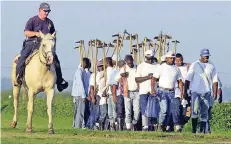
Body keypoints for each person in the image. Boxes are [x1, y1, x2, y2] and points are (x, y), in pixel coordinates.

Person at [15, 2, 68, 92]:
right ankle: (18, 77)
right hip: (32, 43)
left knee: (56, 61)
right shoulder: (32, 20)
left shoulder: (50, 23)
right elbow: (26, 32)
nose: (47, 13)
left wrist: (53, 44)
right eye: (45, 11)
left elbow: (53, 35)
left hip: (45, 46)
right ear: (40, 10)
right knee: (22, 57)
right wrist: (36, 34)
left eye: (48, 11)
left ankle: (59, 81)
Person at [184, 48, 218, 134]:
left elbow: (215, 81)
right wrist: (185, 92)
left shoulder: (211, 66)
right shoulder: (195, 65)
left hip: (206, 92)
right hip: (195, 92)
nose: (206, 58)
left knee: (204, 113)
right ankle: (194, 131)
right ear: (201, 56)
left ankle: (202, 131)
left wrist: (215, 92)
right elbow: (187, 79)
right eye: (205, 56)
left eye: (207, 56)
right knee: (194, 111)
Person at [152, 51, 183, 132]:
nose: (172, 59)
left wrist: (181, 92)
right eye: (170, 58)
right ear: (166, 58)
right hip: (162, 91)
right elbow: (154, 79)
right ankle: (160, 124)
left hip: (172, 92)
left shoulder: (176, 69)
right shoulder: (161, 67)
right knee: (164, 110)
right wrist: (152, 89)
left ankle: (164, 127)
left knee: (169, 112)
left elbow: (180, 81)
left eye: (173, 58)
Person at [135, 50, 159, 131]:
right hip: (143, 91)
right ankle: (145, 126)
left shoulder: (157, 66)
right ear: (145, 57)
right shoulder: (141, 66)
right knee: (144, 109)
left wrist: (155, 78)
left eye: (150, 58)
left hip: (154, 91)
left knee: (154, 108)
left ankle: (153, 126)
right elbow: (137, 79)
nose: (149, 59)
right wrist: (148, 77)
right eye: (147, 58)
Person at [115, 55, 140, 131]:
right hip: (127, 92)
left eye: (131, 62)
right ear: (126, 62)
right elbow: (116, 78)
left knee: (137, 110)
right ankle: (128, 127)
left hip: (136, 91)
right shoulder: (124, 69)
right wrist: (122, 76)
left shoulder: (137, 67)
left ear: (133, 60)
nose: (130, 64)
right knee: (128, 111)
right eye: (128, 63)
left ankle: (135, 124)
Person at [72, 58, 91, 129]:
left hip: (80, 94)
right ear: (84, 63)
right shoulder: (79, 71)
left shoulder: (83, 72)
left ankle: (78, 126)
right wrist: (83, 95)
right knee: (80, 112)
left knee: (80, 112)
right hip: (79, 94)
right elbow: (80, 84)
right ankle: (78, 126)